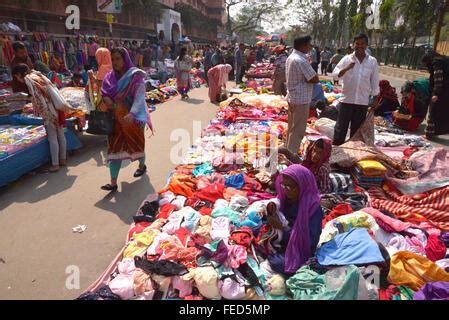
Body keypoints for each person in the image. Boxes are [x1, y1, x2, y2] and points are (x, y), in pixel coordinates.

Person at [100, 47, 153, 192]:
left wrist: (132, 114)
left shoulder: (135, 76)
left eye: (118, 59)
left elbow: (140, 97)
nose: (115, 62)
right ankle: (113, 182)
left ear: (125, 59)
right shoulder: (109, 77)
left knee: (136, 144)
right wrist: (106, 99)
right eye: (113, 59)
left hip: (133, 118)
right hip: (116, 119)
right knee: (114, 148)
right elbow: (104, 91)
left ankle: (141, 166)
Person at [12, 64, 68, 172]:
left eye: (16, 77)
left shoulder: (29, 80)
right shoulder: (37, 75)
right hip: (56, 106)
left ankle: (55, 164)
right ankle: (62, 159)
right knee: (60, 134)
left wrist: (40, 112)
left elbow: (38, 98)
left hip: (49, 110)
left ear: (19, 74)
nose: (18, 80)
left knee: (52, 137)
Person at [271, 164, 324, 274]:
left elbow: (309, 242)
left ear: (303, 185)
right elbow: (279, 214)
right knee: (255, 229)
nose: (285, 190)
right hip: (282, 238)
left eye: (290, 187)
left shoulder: (313, 208)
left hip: (299, 248)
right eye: (283, 186)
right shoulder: (286, 198)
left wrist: (282, 228)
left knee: (280, 263)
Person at [332, 34, 379, 146]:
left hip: (362, 102)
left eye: (362, 43)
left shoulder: (372, 61)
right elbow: (335, 75)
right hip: (346, 101)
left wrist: (375, 98)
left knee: (356, 131)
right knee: (340, 129)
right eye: (357, 43)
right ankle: (335, 153)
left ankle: (351, 154)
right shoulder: (346, 59)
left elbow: (374, 81)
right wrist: (347, 68)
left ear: (367, 45)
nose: (360, 46)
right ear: (353, 45)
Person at [285, 35, 319, 154]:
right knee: (298, 130)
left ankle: (287, 151)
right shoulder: (300, 60)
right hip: (301, 99)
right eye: (308, 45)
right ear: (303, 45)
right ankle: (291, 155)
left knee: (292, 128)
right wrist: (308, 79)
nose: (310, 47)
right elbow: (314, 78)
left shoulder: (291, 57)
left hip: (293, 97)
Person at [422, 50, 449, 139]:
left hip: (442, 91)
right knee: (442, 111)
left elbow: (438, 78)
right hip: (446, 90)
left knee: (433, 110)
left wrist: (436, 93)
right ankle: (435, 131)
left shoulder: (436, 63)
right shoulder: (443, 60)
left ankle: (429, 134)